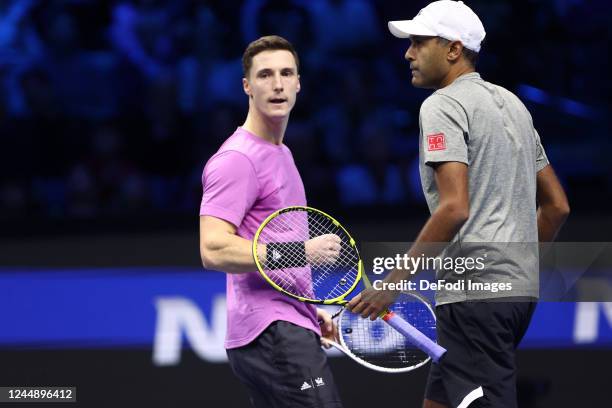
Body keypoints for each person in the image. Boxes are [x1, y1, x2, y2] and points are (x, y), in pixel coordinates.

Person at [347, 1, 570, 408]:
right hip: (516, 295)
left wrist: (392, 286)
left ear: (453, 49)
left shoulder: (442, 105)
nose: (408, 53)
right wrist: (514, 268)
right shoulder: (514, 106)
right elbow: (557, 207)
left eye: (418, 42)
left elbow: (454, 208)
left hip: (474, 298)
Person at [199, 35, 343, 408]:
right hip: (272, 330)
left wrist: (309, 313)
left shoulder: (281, 153)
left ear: (298, 83)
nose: (277, 84)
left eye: (286, 73)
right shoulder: (237, 159)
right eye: (264, 75)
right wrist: (303, 252)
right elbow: (213, 248)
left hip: (286, 324)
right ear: (247, 86)